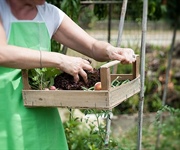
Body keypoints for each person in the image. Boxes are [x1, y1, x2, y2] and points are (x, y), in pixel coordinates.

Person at [0, 0, 136, 149]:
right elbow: (2, 53)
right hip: (5, 112)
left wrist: (112, 50)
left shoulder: (49, 13)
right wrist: (59, 60)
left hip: (42, 112)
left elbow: (92, 46)